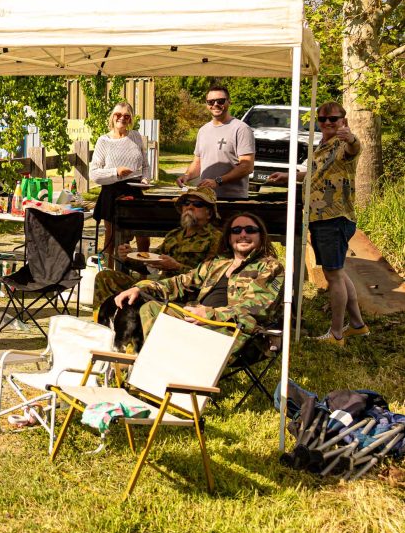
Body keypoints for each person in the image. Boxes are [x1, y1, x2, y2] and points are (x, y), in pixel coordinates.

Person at [266, 100, 370, 345]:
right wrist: (290, 176)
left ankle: (336, 334)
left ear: (343, 120)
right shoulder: (323, 144)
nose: (327, 123)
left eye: (333, 119)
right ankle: (358, 325)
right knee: (338, 272)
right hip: (320, 218)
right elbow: (317, 174)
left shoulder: (343, 143)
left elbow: (355, 147)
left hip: (333, 218)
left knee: (333, 276)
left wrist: (351, 137)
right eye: (322, 119)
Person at [112, 211, 284, 352]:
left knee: (152, 309)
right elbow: (179, 283)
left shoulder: (269, 267)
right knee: (138, 301)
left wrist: (209, 314)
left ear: (261, 235)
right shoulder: (217, 264)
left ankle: (153, 366)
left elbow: (255, 309)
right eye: (236, 230)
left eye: (250, 230)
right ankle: (127, 355)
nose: (243, 234)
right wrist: (140, 288)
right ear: (229, 237)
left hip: (234, 331)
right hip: (198, 321)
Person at [92, 186, 223, 309]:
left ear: (209, 213)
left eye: (198, 204)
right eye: (186, 203)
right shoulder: (174, 235)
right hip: (158, 289)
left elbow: (213, 278)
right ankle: (103, 321)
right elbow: (149, 265)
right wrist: (128, 257)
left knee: (142, 286)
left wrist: (176, 267)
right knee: (105, 277)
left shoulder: (216, 239)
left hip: (184, 294)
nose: (190, 207)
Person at [90, 100, 149, 261]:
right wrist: (115, 172)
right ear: (112, 117)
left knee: (143, 236)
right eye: (118, 114)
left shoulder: (136, 136)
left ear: (130, 119)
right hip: (112, 192)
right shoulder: (104, 141)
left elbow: (145, 165)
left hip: (134, 190)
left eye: (126, 116)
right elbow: (94, 174)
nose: (121, 118)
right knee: (111, 238)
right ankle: (109, 270)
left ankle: (143, 270)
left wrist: (145, 179)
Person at [177, 83, 254, 200]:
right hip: (205, 198)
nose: (215, 104)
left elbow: (247, 166)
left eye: (220, 101)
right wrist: (187, 176)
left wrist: (218, 181)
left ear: (229, 101)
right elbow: (198, 163)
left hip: (232, 199)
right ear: (207, 104)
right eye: (211, 102)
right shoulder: (203, 130)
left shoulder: (241, 129)